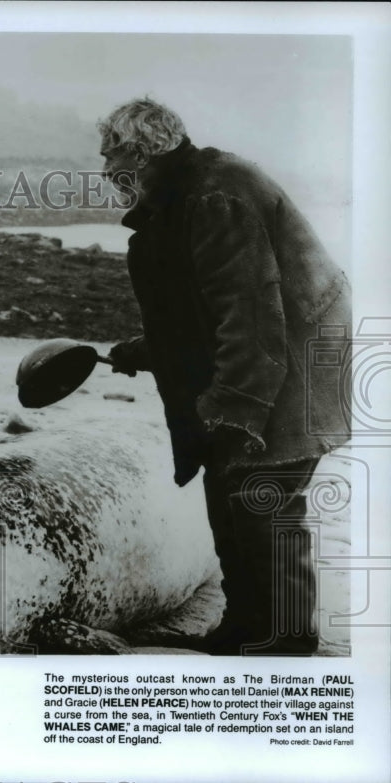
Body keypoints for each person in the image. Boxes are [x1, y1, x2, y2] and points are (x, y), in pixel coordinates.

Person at [99, 98, 351, 655]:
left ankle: (284, 641)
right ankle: (245, 628)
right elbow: (203, 308)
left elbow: (251, 314)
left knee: (261, 502)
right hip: (268, 364)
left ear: (139, 155)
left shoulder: (214, 195)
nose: (103, 171)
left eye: (110, 156)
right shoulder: (191, 191)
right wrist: (149, 351)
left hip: (287, 371)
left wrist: (232, 408)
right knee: (231, 496)